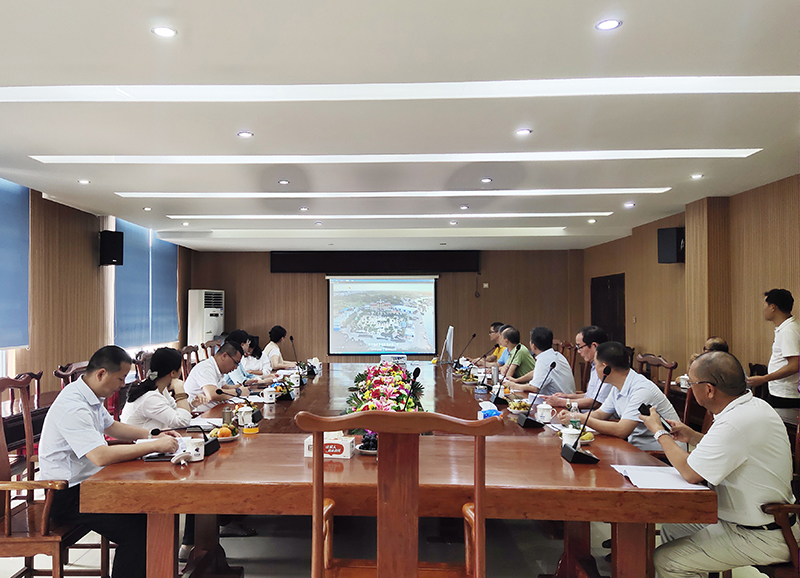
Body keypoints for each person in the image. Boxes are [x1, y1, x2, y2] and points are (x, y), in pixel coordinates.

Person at [640, 350, 798, 576]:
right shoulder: (753, 406)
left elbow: (690, 472)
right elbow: (735, 449)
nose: (690, 388)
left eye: (691, 383)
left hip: (761, 535)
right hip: (749, 523)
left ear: (709, 390)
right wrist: (693, 436)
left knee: (667, 560)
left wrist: (659, 432)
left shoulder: (735, 421)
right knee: (675, 527)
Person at [39, 346, 180, 578]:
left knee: (149, 509)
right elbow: (100, 456)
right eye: (121, 378)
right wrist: (154, 446)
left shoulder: (89, 395)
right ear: (102, 374)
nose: (123, 385)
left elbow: (112, 426)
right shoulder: (73, 405)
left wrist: (153, 435)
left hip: (90, 485)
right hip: (65, 494)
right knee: (137, 531)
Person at [558, 341, 679, 451]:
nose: (595, 369)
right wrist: (573, 417)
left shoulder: (641, 390)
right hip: (634, 448)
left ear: (605, 367)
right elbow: (601, 414)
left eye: (596, 364)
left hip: (662, 455)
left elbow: (621, 430)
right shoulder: (618, 385)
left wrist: (583, 419)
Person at [121, 347, 209, 431]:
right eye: (180, 367)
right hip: (138, 440)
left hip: (152, 437)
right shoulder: (150, 397)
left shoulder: (157, 386)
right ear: (173, 373)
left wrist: (193, 404)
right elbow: (182, 422)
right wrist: (179, 389)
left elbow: (175, 411)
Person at [747, 289, 799, 408]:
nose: (763, 310)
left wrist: (764, 379)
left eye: (765, 305)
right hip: (783, 392)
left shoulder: (789, 331)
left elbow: (794, 365)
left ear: (772, 307)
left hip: (785, 394)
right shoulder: (789, 327)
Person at [546, 325, 610, 411]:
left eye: (580, 347)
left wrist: (562, 402)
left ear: (594, 346)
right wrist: (567, 396)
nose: (579, 351)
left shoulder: (606, 368)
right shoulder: (594, 366)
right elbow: (590, 395)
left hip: (595, 416)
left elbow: (595, 402)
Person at [504, 327, 575, 397]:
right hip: (568, 399)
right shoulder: (557, 355)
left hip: (557, 401)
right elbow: (536, 372)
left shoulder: (543, 360)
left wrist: (514, 386)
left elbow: (534, 388)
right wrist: (517, 380)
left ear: (533, 346)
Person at [183, 341, 249, 409]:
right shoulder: (206, 368)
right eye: (235, 363)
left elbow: (226, 388)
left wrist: (246, 385)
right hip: (200, 413)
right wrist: (239, 392)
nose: (236, 367)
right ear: (224, 356)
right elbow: (212, 395)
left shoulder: (217, 368)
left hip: (214, 410)